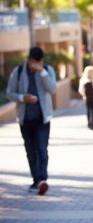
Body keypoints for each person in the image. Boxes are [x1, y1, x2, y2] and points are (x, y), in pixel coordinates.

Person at [6, 46, 57, 195]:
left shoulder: (47, 70)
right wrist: (23, 98)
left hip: (43, 118)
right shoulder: (19, 71)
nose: (35, 64)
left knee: (42, 149)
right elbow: (10, 93)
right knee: (30, 151)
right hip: (25, 119)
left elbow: (53, 89)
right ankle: (36, 180)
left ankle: (42, 180)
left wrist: (42, 72)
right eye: (33, 62)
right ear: (28, 60)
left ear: (41, 61)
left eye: (38, 62)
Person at [78, 66, 93, 130]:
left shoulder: (83, 80)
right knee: (92, 110)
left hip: (88, 98)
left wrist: (84, 95)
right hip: (92, 97)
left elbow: (80, 90)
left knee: (88, 110)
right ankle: (91, 123)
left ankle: (89, 123)